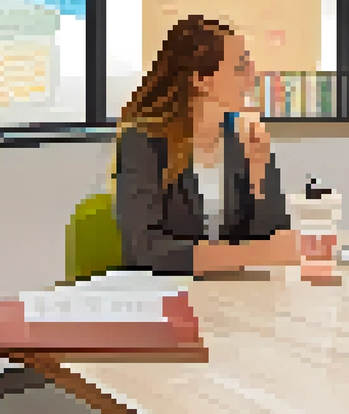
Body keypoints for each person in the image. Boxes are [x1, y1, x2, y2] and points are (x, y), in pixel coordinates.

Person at [114, 15, 299, 276]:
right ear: (201, 79)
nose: (252, 77)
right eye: (240, 68)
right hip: (164, 291)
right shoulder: (143, 142)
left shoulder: (242, 140)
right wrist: (250, 254)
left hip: (230, 289)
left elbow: (275, 239)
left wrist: (259, 176)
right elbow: (146, 250)